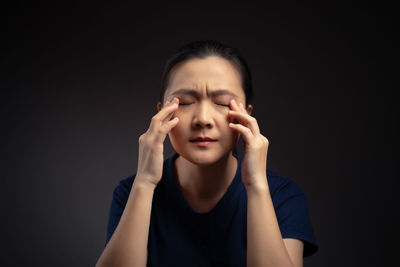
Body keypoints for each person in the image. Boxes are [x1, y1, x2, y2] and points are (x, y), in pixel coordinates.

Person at [95, 40, 318, 267]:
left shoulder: (283, 196)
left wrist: (257, 186)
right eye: (185, 102)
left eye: (222, 103)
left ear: (247, 115)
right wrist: (144, 182)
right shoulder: (131, 192)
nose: (203, 119)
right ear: (161, 112)